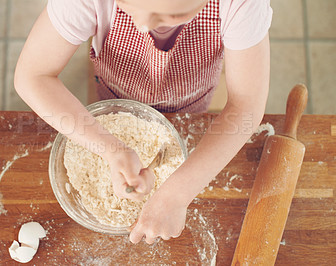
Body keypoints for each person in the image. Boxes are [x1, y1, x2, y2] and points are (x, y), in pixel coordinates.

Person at [14, 0, 272, 244]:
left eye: (172, 15)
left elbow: (245, 106)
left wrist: (177, 194)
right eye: (127, 4)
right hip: (114, 91)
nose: (143, 25)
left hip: (191, 101)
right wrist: (109, 147)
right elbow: (33, 76)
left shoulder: (241, 5)